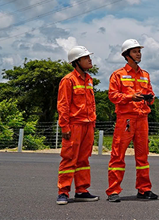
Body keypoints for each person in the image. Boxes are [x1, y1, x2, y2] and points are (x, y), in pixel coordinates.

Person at [106, 39, 158, 202]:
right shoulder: (118, 75)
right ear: (127, 55)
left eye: (139, 51)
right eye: (135, 51)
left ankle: (144, 189)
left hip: (142, 119)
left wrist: (150, 99)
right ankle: (113, 191)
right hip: (126, 119)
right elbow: (112, 95)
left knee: (143, 156)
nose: (139, 54)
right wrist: (130, 97)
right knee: (118, 155)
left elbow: (151, 94)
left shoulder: (145, 75)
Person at [56, 46, 99, 205]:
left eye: (89, 56)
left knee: (83, 160)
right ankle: (63, 192)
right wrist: (64, 127)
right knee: (69, 159)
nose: (90, 59)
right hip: (74, 126)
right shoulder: (68, 80)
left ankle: (82, 190)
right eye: (86, 57)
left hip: (88, 125)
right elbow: (63, 106)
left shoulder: (89, 79)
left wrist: (93, 122)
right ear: (77, 62)